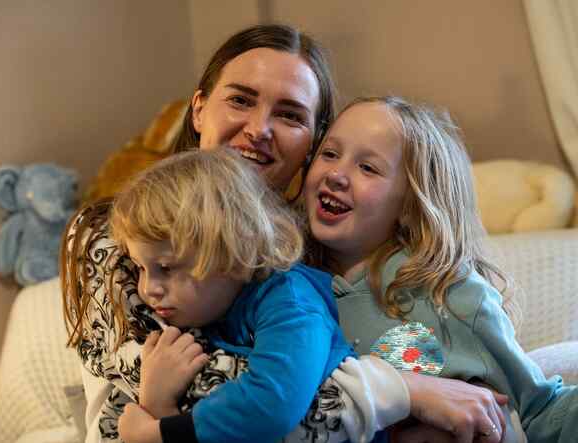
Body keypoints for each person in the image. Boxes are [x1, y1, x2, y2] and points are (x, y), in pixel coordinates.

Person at [62, 24, 508, 443]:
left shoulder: (302, 255)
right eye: (240, 100)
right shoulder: (115, 230)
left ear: (312, 143)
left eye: (290, 115)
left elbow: (280, 389)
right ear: (198, 109)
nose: (259, 129)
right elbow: (223, 396)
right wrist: (405, 394)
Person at [303, 95, 578, 443]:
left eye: (368, 167)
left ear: (410, 205)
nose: (337, 174)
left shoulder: (448, 292)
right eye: (329, 153)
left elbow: (538, 408)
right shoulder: (288, 287)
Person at [110, 147, 364, 442]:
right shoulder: (209, 306)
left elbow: (273, 403)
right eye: (140, 267)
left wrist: (158, 432)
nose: (147, 289)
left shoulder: (291, 302)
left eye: (166, 268)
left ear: (233, 250)